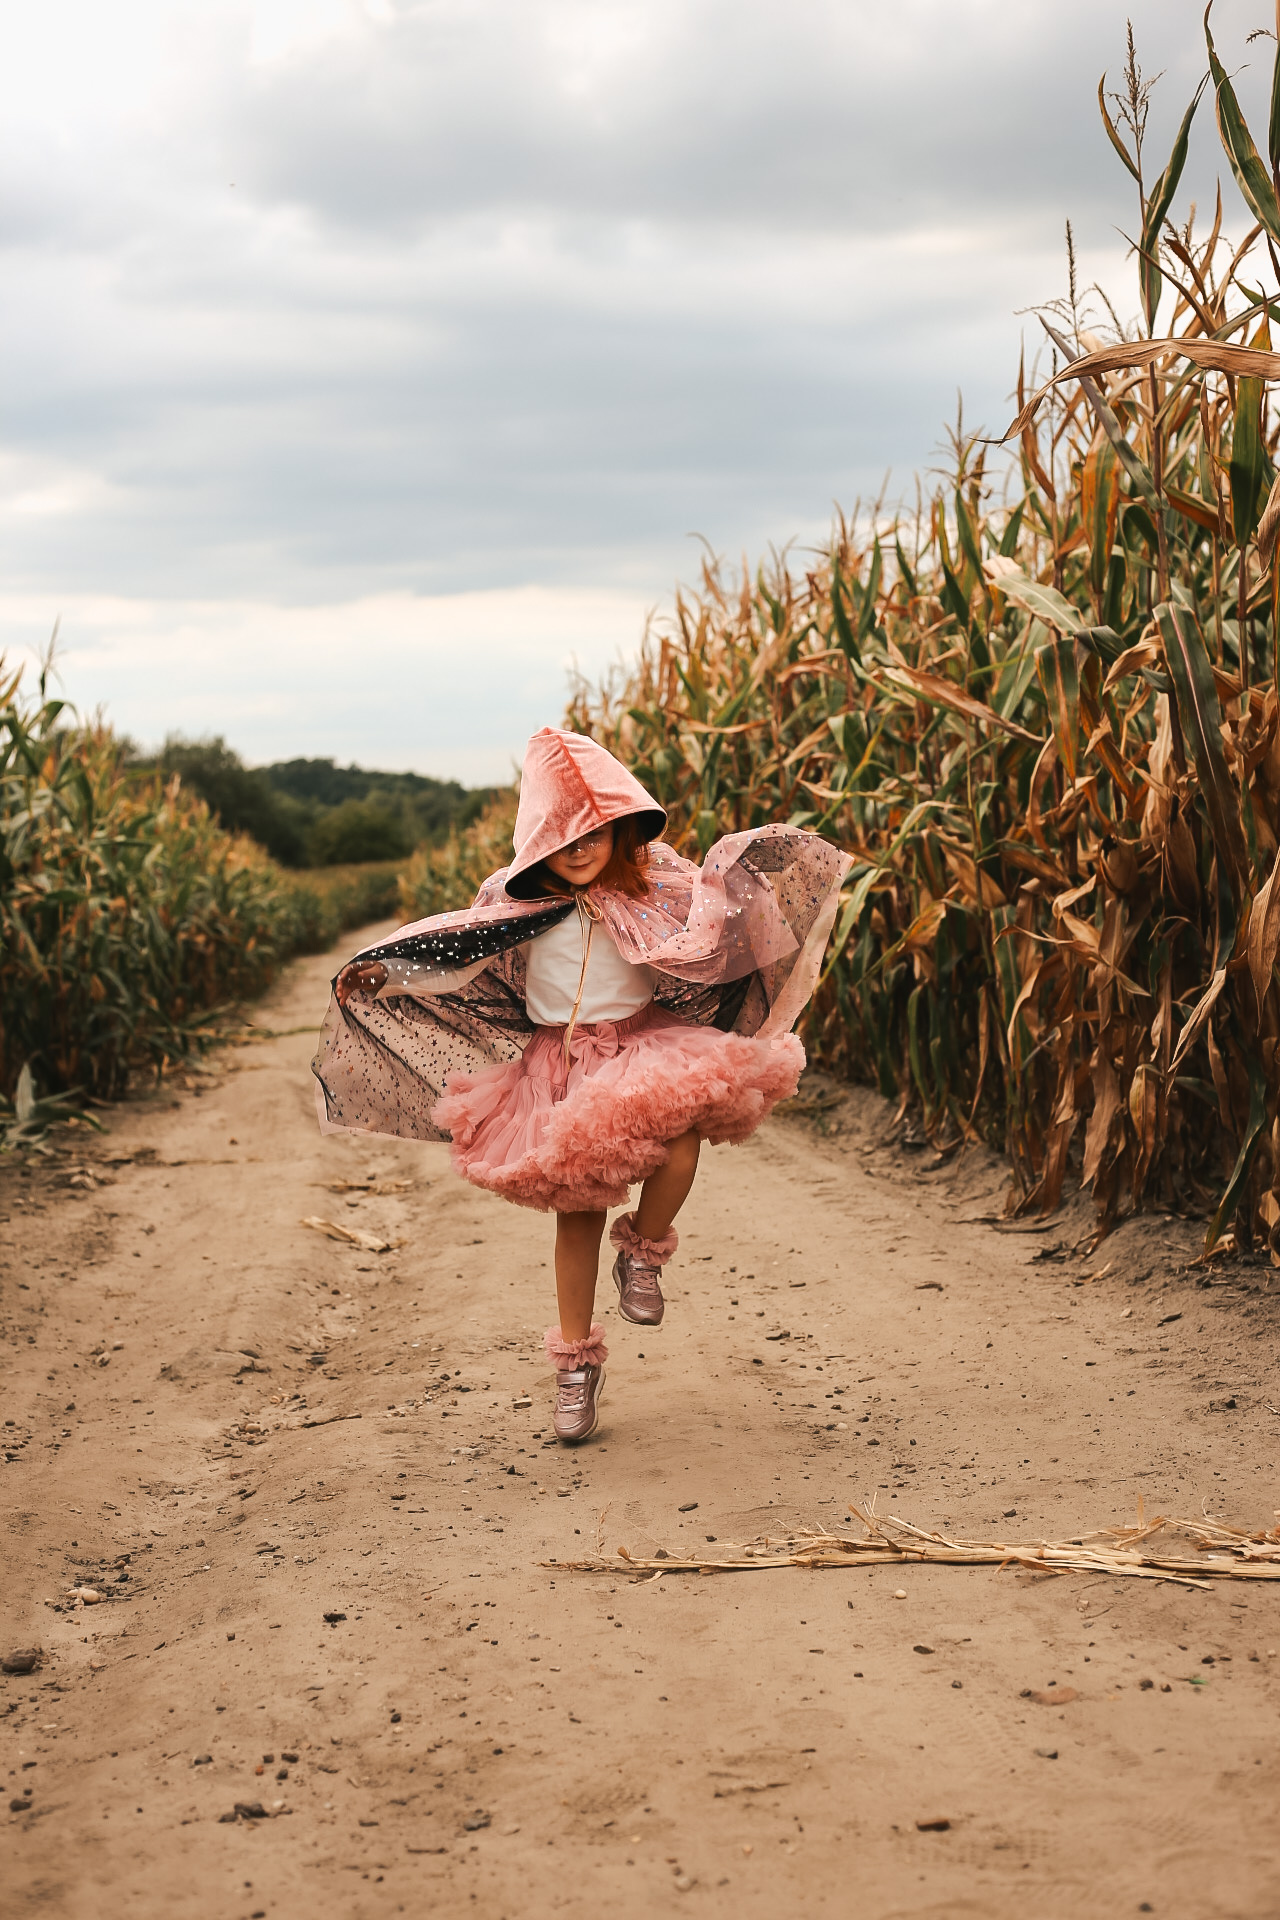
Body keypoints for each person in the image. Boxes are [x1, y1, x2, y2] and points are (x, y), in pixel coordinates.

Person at [314, 727, 851, 1444]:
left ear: (620, 826)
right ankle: (575, 1367)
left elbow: (714, 923)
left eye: (593, 833)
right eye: (561, 837)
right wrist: (388, 972)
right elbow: (457, 955)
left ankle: (643, 1252)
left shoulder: (650, 886)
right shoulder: (514, 905)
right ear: (537, 840)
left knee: (681, 1147)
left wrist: (755, 887)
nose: (578, 849)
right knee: (578, 1212)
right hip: (560, 1067)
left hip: (642, 1045)